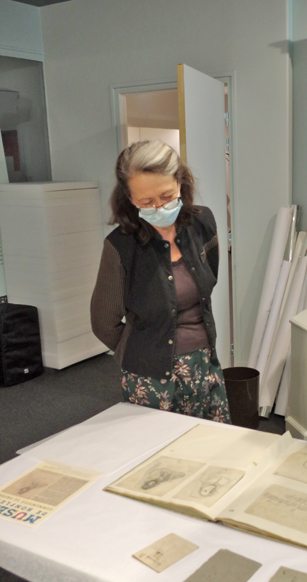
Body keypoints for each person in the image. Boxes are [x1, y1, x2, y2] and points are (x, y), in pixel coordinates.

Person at [91, 139, 231, 424]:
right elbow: (104, 322)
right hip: (151, 379)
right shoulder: (120, 247)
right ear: (130, 199)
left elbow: (210, 280)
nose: (158, 207)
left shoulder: (203, 224)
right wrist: (140, 353)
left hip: (204, 365)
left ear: (180, 182)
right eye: (146, 202)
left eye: (166, 196)